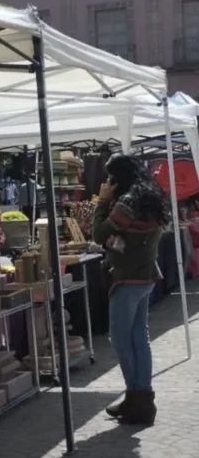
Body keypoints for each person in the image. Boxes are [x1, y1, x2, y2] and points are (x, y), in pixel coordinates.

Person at [92, 154, 169, 426]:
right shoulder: (151, 199)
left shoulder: (127, 204)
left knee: (121, 338)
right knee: (139, 337)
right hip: (146, 277)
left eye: (111, 178)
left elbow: (99, 233)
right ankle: (140, 399)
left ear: (118, 178)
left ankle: (137, 398)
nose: (108, 182)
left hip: (127, 278)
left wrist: (102, 201)